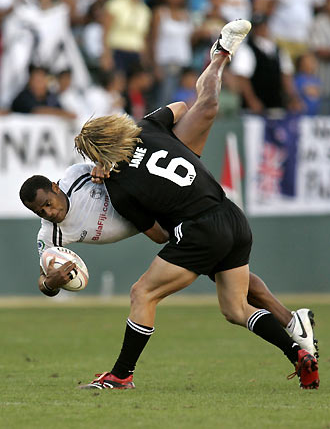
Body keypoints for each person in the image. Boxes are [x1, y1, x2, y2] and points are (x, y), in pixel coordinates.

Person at [72, 20, 319, 390]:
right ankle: (298, 354)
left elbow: (158, 236)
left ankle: (121, 375)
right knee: (236, 308)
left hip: (198, 228)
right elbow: (179, 104)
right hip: (233, 216)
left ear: (99, 155)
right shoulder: (147, 127)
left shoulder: (119, 186)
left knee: (143, 292)